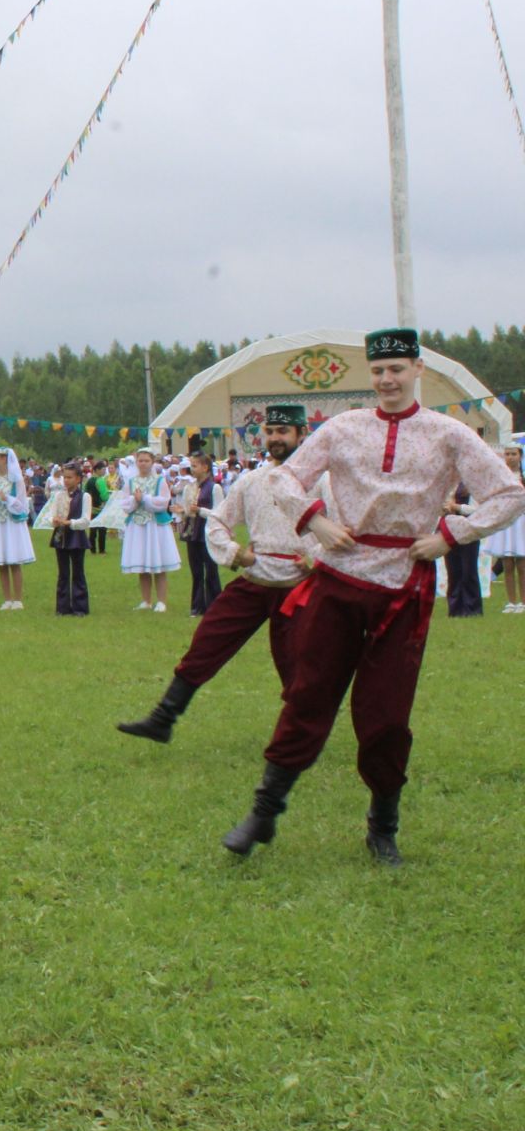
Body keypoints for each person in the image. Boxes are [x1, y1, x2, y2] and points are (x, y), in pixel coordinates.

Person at [220, 330, 525, 864]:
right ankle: (264, 812)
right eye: (379, 372)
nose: (387, 380)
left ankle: (383, 824)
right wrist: (314, 520)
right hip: (338, 580)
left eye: (397, 370)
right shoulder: (343, 428)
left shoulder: (449, 434)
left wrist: (452, 536)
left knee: (385, 713)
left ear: (418, 370)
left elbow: (509, 493)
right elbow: (285, 479)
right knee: (309, 694)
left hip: (403, 586)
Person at [118, 406, 322, 744]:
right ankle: (163, 717)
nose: (275, 438)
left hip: (299, 587)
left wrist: (315, 557)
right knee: (208, 639)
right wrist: (236, 552)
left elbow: (348, 529)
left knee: (297, 662)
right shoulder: (252, 480)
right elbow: (218, 520)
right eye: (270, 432)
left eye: (283, 432)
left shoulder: (322, 481)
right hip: (256, 577)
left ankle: (300, 736)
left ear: (302, 434)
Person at [119, 449, 180, 611]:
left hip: (155, 525)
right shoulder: (131, 482)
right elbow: (124, 503)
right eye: (140, 460)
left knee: (158, 564)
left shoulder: (159, 481)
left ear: (152, 462)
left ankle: (161, 601)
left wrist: (145, 499)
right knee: (142, 563)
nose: (143, 463)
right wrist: (134, 500)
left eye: (146, 460)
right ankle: (146, 600)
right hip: (138, 525)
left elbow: (164, 501)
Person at [0, 447, 35, 611]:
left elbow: (22, 505)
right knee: (2, 562)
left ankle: (18, 599)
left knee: (14, 561)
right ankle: (7, 599)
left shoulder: (15, 479)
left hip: (12, 523)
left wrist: (7, 499)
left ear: (4, 459)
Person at [179, 452, 223, 616]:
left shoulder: (214, 488)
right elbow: (186, 509)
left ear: (205, 467)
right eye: (191, 465)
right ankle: (197, 606)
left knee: (211, 570)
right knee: (196, 571)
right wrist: (182, 512)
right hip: (193, 533)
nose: (192, 469)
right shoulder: (189, 488)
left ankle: (214, 605)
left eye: (195, 465)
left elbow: (219, 513)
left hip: (209, 533)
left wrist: (201, 511)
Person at [48, 461, 95, 615]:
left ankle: (80, 607)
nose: (66, 480)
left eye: (69, 477)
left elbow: (86, 520)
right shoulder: (58, 496)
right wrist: (53, 521)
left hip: (77, 537)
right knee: (63, 573)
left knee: (78, 572)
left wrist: (70, 523)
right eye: (64, 477)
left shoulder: (85, 497)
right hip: (60, 537)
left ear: (78, 479)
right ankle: (62, 608)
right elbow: (51, 515)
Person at [489, 444, 525, 612]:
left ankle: (523, 602)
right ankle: (511, 601)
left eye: (513, 454)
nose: (510, 457)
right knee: (507, 564)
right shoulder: (500, 476)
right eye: (507, 454)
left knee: (522, 565)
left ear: (520, 456)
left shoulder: (523, 477)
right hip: (506, 520)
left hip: (521, 521)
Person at [442, 484, 484, 618]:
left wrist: (457, 507)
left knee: (468, 571)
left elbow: (478, 510)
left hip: (468, 531)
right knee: (453, 571)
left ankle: (472, 608)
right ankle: (455, 609)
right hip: (449, 529)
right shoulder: (448, 483)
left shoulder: (472, 483)